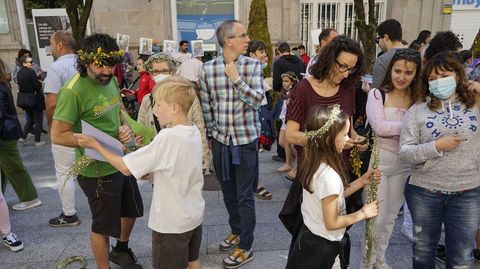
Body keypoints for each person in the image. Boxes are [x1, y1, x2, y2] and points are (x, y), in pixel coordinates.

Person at [76, 75, 204, 269]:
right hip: (193, 215)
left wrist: (96, 144)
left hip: (171, 223)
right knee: (192, 261)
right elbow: (174, 165)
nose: (154, 110)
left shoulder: (167, 136)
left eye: (158, 105)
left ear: (174, 108)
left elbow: (125, 168)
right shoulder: (192, 130)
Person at [51, 33, 143, 269]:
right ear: (86, 62)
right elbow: (57, 135)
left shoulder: (110, 80)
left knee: (132, 209)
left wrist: (124, 128)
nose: (108, 71)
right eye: (100, 66)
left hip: (121, 159)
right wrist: (90, 142)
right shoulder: (73, 91)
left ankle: (121, 250)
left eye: (112, 65)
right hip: (95, 170)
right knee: (102, 226)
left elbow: (119, 109)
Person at [281, 35, 366, 269]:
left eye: (352, 68)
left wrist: (356, 139)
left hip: (342, 170)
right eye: (342, 66)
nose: (346, 73)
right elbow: (290, 135)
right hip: (314, 171)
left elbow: (348, 126)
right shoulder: (303, 89)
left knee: (338, 232)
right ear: (328, 59)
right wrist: (325, 141)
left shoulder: (348, 88)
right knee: (311, 232)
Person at [400, 52, 480, 269]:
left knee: (462, 258)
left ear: (458, 75)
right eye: (432, 79)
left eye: (443, 75)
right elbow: (405, 152)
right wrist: (436, 147)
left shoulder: (475, 104)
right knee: (423, 254)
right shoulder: (417, 110)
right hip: (425, 192)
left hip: (468, 191)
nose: (437, 82)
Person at [199, 19, 263, 268]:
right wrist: (214, 134)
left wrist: (236, 79)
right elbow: (207, 107)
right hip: (221, 143)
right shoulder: (208, 69)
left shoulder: (253, 66)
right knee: (228, 193)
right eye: (243, 36)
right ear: (228, 41)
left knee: (245, 196)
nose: (248, 40)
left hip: (246, 142)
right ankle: (236, 230)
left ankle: (246, 246)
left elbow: (258, 101)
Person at [285, 105, 380, 269]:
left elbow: (333, 195)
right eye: (344, 134)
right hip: (324, 247)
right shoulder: (329, 177)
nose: (348, 139)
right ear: (328, 140)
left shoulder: (312, 163)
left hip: (309, 238)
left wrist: (362, 181)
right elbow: (332, 222)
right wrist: (364, 213)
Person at [365, 48, 422, 268]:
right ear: (390, 70)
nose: (401, 77)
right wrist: (411, 127)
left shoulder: (419, 99)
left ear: (416, 74)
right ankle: (367, 263)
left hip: (405, 164)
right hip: (380, 164)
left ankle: (380, 258)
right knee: (375, 219)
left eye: (408, 72)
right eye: (397, 71)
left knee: (390, 219)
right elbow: (379, 127)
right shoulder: (377, 94)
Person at [137, 53, 210, 173]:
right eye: (156, 71)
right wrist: (143, 165)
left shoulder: (188, 96)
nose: (160, 74)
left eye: (165, 70)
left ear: (173, 72)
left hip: (185, 159)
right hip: (159, 163)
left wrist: (203, 161)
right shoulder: (147, 101)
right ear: (151, 74)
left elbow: (200, 128)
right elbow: (141, 131)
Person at [43, 30, 81, 227]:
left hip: (65, 129)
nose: (50, 47)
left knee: (65, 173)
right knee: (90, 167)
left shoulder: (56, 68)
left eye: (51, 43)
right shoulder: (83, 64)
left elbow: (51, 104)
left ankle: (69, 214)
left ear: (59, 45)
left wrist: (53, 129)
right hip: (87, 128)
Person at [0, 57, 42, 212]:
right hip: (7, 132)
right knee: (6, 167)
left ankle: (30, 197)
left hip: (5, 134)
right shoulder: (3, 83)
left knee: (13, 167)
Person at [247, 40, 273, 200]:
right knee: (252, 150)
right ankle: (254, 183)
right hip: (252, 115)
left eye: (265, 52)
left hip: (260, 112)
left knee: (255, 150)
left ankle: (254, 182)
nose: (265, 55)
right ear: (251, 55)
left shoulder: (258, 71)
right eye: (261, 52)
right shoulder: (249, 71)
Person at [17, 55, 46, 146]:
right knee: (38, 120)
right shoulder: (31, 72)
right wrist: (39, 83)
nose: (32, 63)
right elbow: (36, 86)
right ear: (24, 63)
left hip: (25, 99)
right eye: (30, 62)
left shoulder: (19, 72)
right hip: (34, 99)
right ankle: (37, 141)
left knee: (30, 119)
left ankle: (22, 137)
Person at [275, 72, 298, 181]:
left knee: (286, 142)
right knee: (281, 142)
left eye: (287, 81)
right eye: (283, 81)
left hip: (289, 120)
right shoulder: (285, 92)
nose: (284, 83)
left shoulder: (294, 93)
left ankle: (288, 163)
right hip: (284, 119)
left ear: (293, 82)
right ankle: (299, 158)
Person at [372, 19, 406, 89]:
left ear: (386, 37)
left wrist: (367, 90)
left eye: (378, 40)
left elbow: (376, 93)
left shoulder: (383, 60)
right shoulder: (416, 56)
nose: (378, 44)